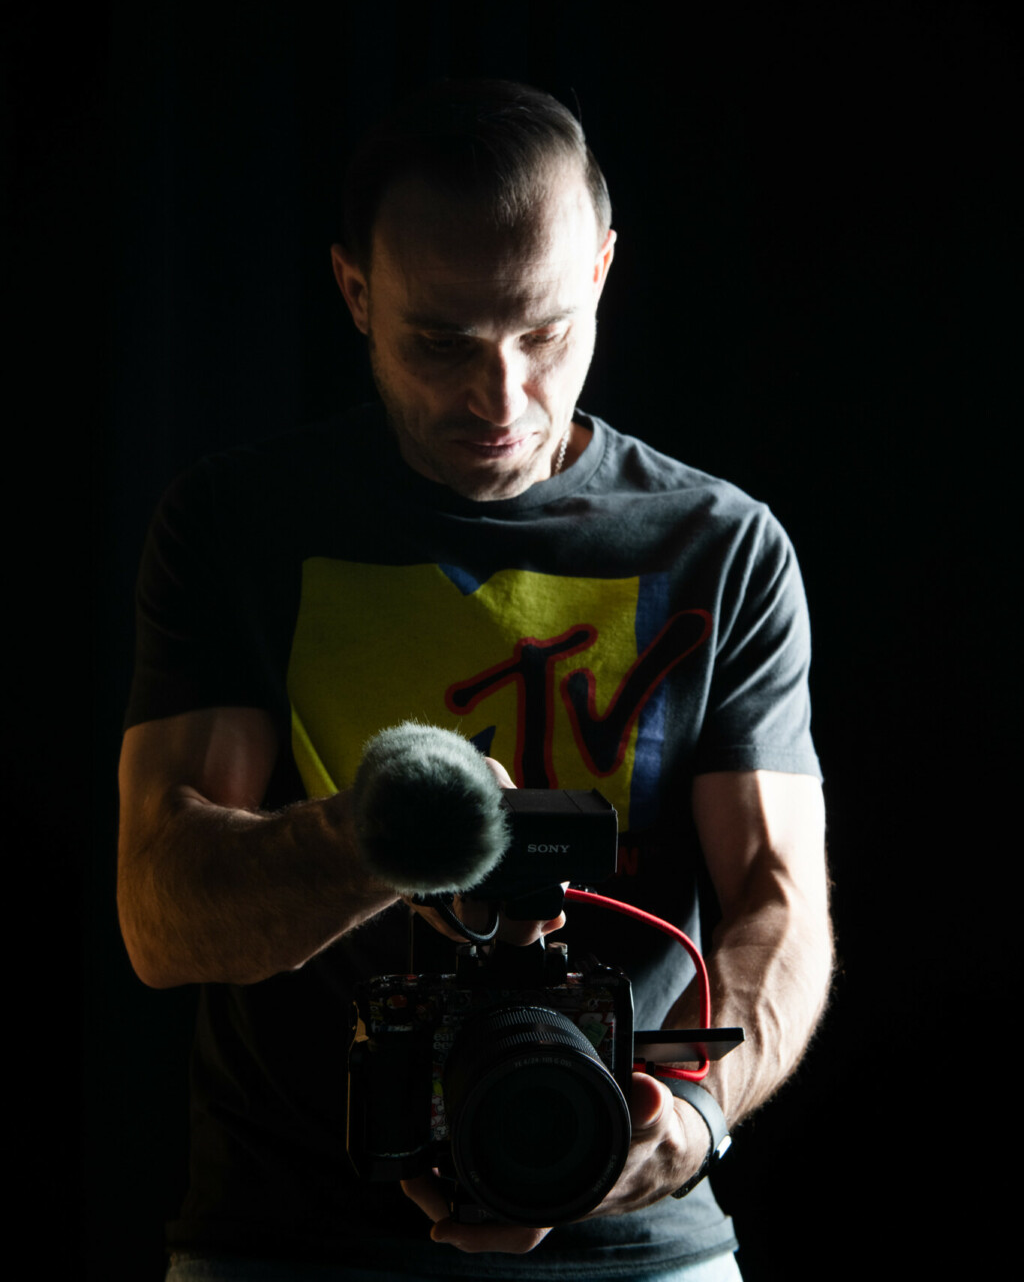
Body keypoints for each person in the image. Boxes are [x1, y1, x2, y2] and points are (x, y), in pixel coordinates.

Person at [118, 79, 833, 1282]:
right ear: (356, 292)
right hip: (290, 1237)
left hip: (636, 1238)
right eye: (440, 343)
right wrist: (385, 836)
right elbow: (159, 913)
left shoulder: (722, 548)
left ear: (600, 271)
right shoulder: (238, 527)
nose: (499, 398)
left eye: (544, 334)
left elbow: (779, 898)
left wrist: (691, 1119)